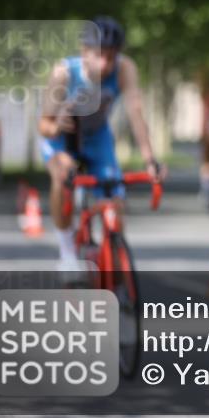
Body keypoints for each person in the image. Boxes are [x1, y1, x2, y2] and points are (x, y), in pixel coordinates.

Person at [38, 16, 163, 270]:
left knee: (115, 197)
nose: (105, 64)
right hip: (61, 139)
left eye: (111, 56)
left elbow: (136, 114)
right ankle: (67, 252)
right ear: (84, 51)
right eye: (99, 55)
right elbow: (44, 125)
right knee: (63, 174)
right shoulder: (64, 73)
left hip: (97, 137)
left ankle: (113, 254)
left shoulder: (125, 68)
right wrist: (58, 126)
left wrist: (150, 160)